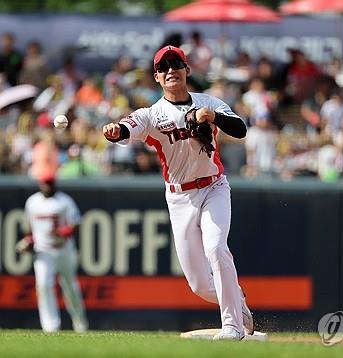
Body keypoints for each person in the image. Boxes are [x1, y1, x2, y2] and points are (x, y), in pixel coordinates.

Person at [102, 45, 253, 340]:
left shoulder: (208, 101)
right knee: (198, 284)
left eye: (176, 64)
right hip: (179, 197)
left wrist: (213, 117)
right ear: (156, 77)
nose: (171, 70)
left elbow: (240, 129)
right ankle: (237, 300)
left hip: (214, 187)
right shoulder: (152, 113)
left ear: (187, 70)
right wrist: (114, 130)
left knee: (216, 248)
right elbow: (125, 128)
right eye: (164, 67)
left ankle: (232, 327)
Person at [16, 173, 88, 333]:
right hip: (43, 251)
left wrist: (63, 232)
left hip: (64, 249)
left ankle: (80, 323)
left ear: (55, 184)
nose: (47, 187)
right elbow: (30, 227)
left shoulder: (64, 201)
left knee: (70, 286)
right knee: (43, 285)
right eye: (44, 183)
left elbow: (76, 223)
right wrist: (28, 241)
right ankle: (50, 327)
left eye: (50, 183)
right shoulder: (33, 202)